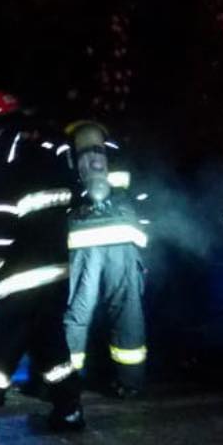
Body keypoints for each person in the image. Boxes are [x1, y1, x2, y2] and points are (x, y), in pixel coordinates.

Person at [0, 91, 83, 442]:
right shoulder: (50, 144)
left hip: (20, 275)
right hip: (55, 271)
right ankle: (70, 411)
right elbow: (70, 199)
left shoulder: (5, 152)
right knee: (51, 347)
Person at [62, 119, 151, 396]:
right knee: (127, 311)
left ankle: (67, 383)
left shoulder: (65, 151)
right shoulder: (117, 151)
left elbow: (62, 193)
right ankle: (130, 383)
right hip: (123, 235)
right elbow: (139, 192)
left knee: (78, 312)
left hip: (82, 238)